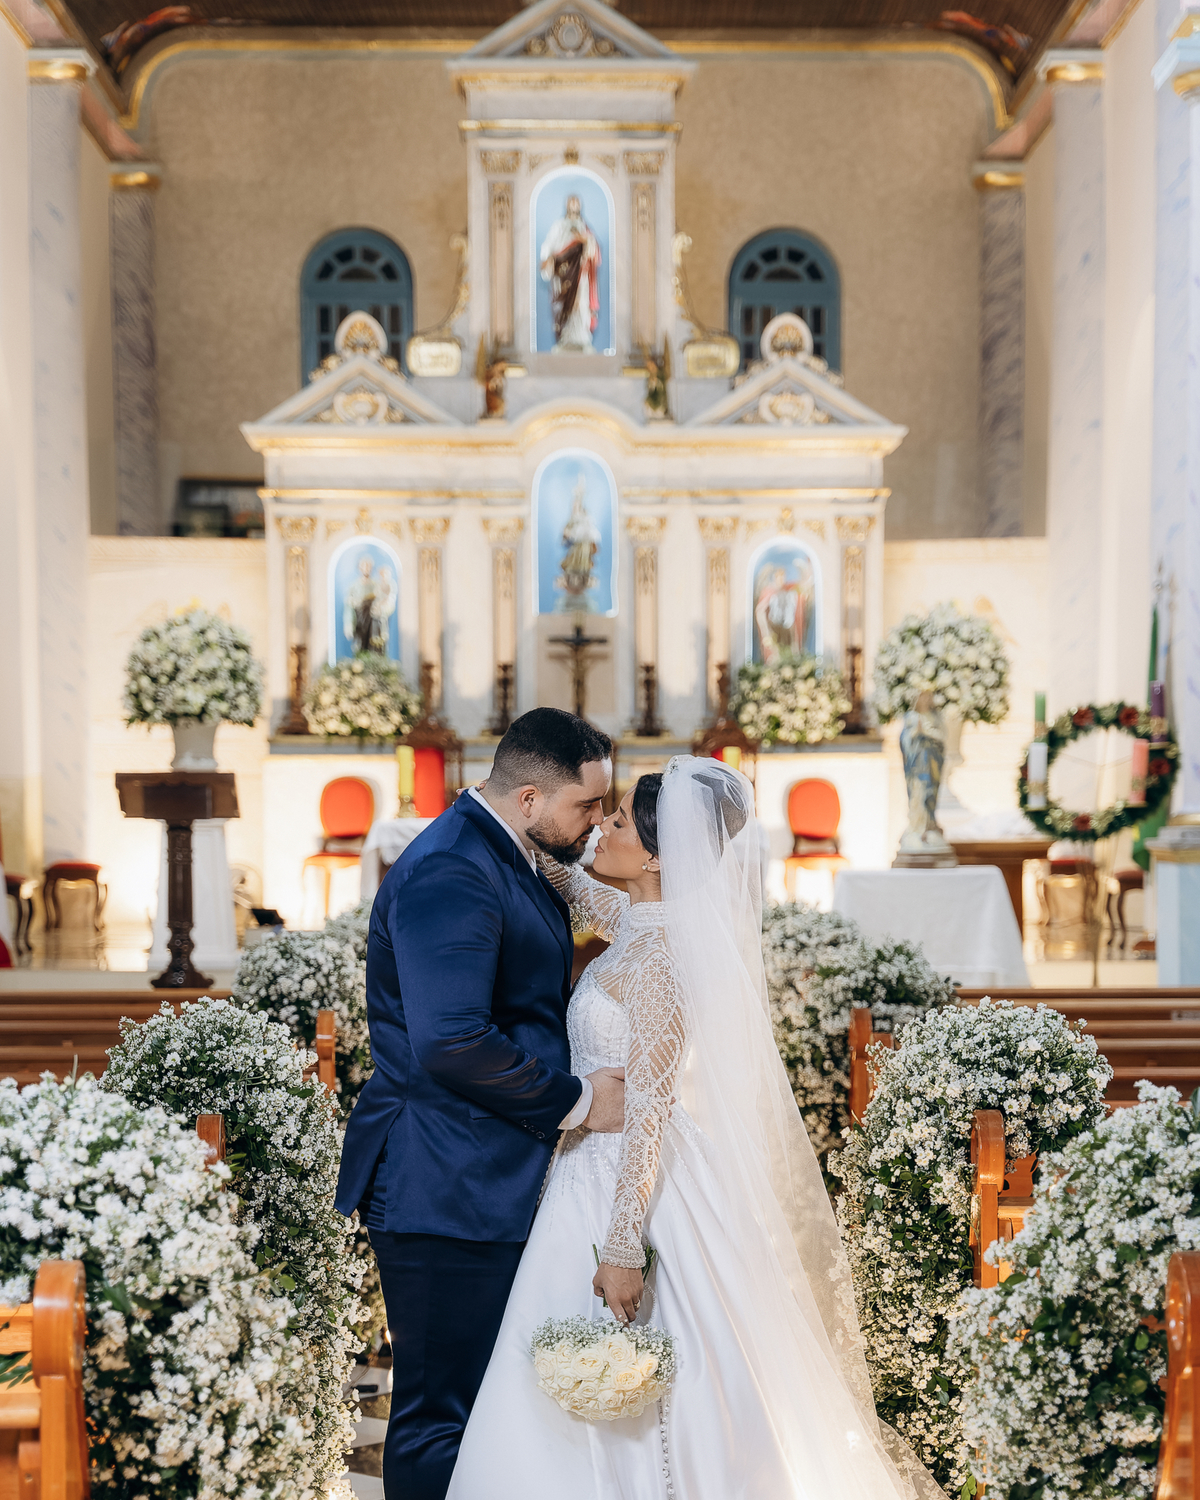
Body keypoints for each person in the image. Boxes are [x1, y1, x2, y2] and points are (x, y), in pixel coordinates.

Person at [448, 757, 944, 1500]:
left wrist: (622, 1245)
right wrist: (498, 814)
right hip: (586, 1163)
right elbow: (576, 884)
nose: (599, 829)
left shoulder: (665, 960)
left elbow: (648, 1111)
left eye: (613, 823)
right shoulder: (645, 921)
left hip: (629, 1181)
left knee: (652, 1378)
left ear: (654, 853)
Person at [335, 707, 628, 1500]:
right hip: (442, 1182)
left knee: (486, 1407)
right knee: (440, 1415)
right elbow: (452, 1040)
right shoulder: (453, 869)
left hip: (482, 1170)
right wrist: (576, 1102)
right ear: (529, 798)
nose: (597, 822)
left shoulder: (511, 848)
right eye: (587, 806)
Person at [539, 194, 602, 350]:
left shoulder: (584, 228)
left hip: (580, 278)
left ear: (580, 207)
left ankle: (581, 337)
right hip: (563, 277)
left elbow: (593, 252)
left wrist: (584, 241)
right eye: (571, 204)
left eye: (576, 204)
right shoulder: (558, 226)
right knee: (565, 307)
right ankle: (565, 338)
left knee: (580, 305)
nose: (574, 207)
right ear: (566, 206)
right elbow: (548, 248)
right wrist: (548, 259)